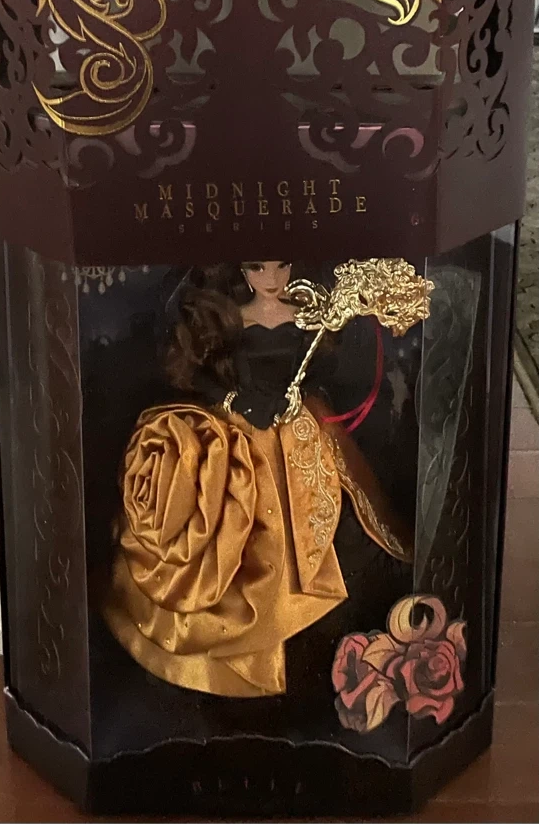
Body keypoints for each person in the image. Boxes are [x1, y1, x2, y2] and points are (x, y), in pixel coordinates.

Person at [102, 261, 416, 701]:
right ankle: (263, 633)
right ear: (243, 273)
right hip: (246, 433)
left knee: (328, 514)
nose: (271, 278)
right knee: (249, 525)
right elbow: (201, 375)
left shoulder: (308, 315)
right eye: (257, 268)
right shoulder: (234, 318)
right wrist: (237, 399)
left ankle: (319, 619)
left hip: (301, 427)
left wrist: (303, 388)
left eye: (281, 266)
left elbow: (327, 371)